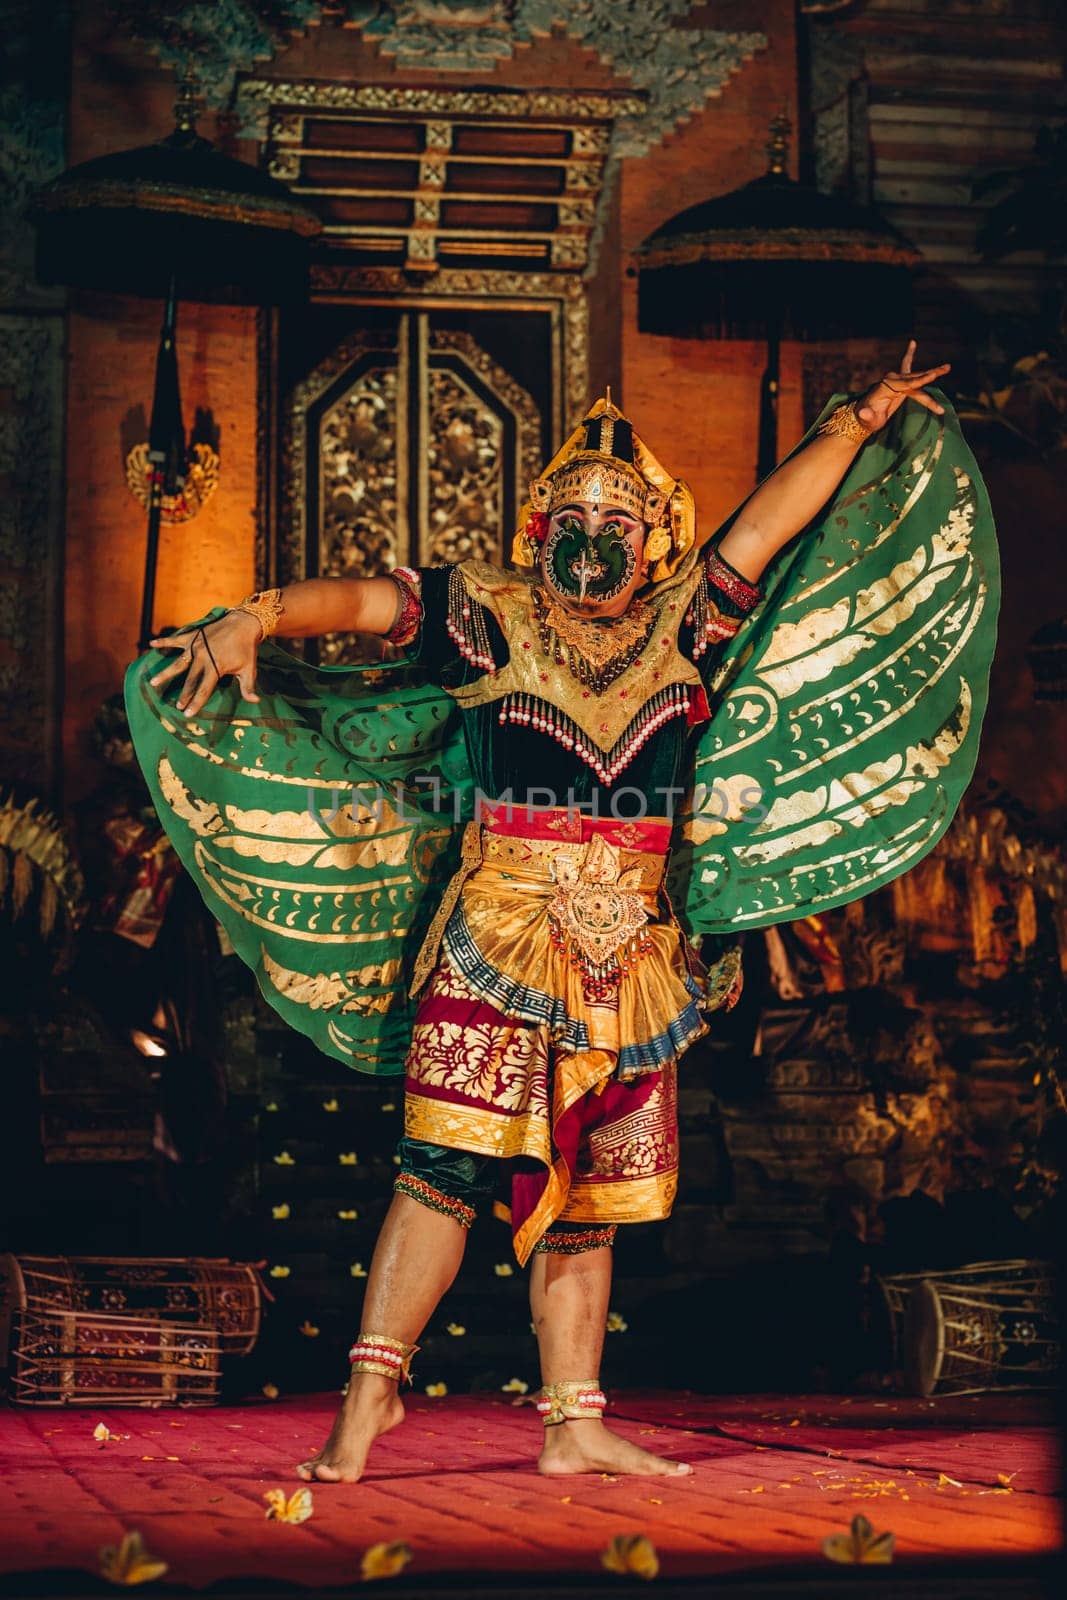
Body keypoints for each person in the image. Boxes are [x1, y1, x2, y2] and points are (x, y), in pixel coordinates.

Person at [129, 342, 998, 1482]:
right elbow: (365, 599)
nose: (592, 545)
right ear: (538, 533)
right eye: (572, 522)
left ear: (652, 538)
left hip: (632, 949)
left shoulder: (690, 619)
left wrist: (853, 419)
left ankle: (572, 1418)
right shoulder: (485, 614)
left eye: (617, 524)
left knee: (587, 1191)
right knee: (440, 1166)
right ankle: (367, 1397)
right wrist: (258, 614)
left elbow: (768, 524)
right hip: (498, 929)